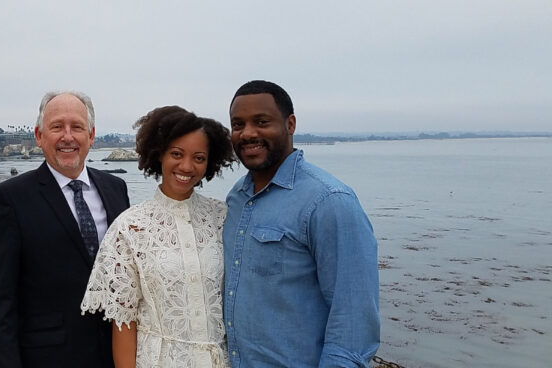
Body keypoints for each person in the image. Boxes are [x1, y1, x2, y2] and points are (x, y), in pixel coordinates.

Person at [222, 80, 380, 367]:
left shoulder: (329, 202)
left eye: (261, 122)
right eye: (238, 124)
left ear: (290, 124)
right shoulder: (236, 198)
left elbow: (354, 324)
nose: (248, 133)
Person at [0, 91, 131, 368]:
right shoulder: (9, 198)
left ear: (91, 135)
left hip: (113, 355)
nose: (68, 136)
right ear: (39, 135)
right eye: (57, 126)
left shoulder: (116, 188)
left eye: (77, 127)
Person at [81, 106, 235, 368]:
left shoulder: (223, 218)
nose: (187, 166)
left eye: (199, 158)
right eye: (176, 154)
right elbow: (124, 321)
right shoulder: (129, 228)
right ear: (159, 153)